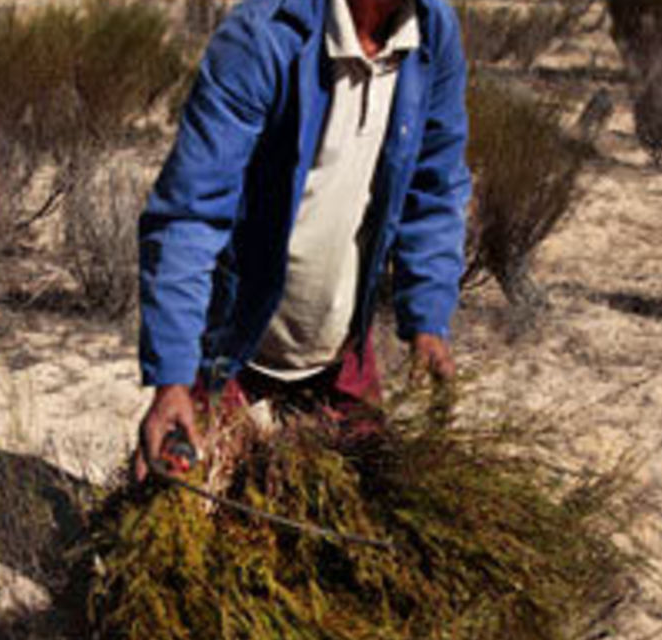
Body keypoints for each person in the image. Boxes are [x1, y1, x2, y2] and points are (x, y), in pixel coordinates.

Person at [134, 0, 472, 480]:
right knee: (181, 494)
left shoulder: (431, 34)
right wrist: (172, 378)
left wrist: (428, 319)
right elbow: (189, 213)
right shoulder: (265, 35)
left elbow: (434, 186)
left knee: (372, 497)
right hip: (233, 336)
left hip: (337, 343)